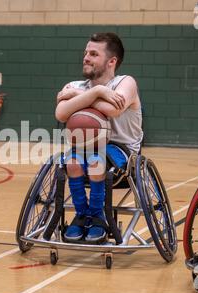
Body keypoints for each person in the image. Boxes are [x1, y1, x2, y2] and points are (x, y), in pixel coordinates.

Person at [55, 32, 143, 243]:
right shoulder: (77, 84)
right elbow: (61, 113)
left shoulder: (126, 83)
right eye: (86, 53)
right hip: (84, 146)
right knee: (72, 162)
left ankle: (97, 216)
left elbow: (113, 110)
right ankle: (81, 215)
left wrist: (80, 97)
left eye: (94, 54)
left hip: (120, 148)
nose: (86, 57)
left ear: (112, 61)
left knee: (96, 162)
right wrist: (96, 93)